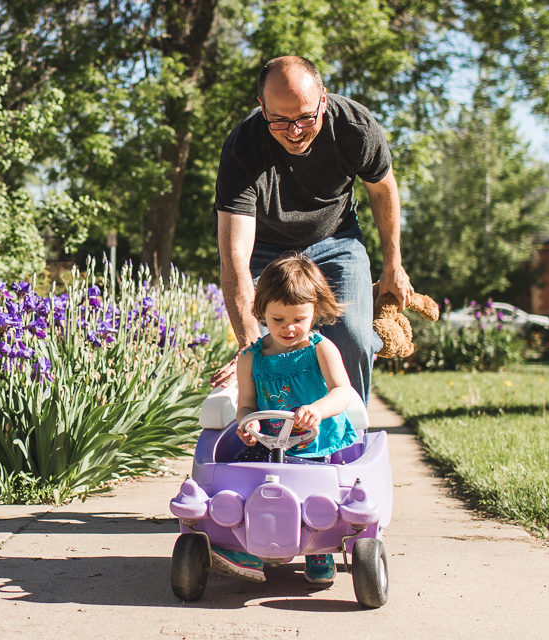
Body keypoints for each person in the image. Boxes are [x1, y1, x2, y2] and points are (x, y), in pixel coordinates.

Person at [210, 55, 414, 404]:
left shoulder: (355, 126)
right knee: (262, 344)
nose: (295, 131)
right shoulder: (243, 147)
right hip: (266, 248)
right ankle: (271, 439)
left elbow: (383, 190)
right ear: (262, 107)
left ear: (323, 99)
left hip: (336, 238)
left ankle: (350, 439)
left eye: (306, 116)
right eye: (279, 120)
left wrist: (393, 264)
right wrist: (248, 346)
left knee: (354, 339)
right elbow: (235, 259)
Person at [210, 254, 357, 585]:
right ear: (262, 313)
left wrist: (318, 408)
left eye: (299, 319)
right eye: (278, 319)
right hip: (270, 443)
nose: (289, 328)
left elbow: (342, 391)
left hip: (313, 441)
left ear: (314, 313)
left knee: (316, 492)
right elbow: (246, 405)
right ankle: (245, 545)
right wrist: (249, 425)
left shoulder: (321, 348)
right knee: (245, 479)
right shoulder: (250, 359)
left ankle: (319, 546)